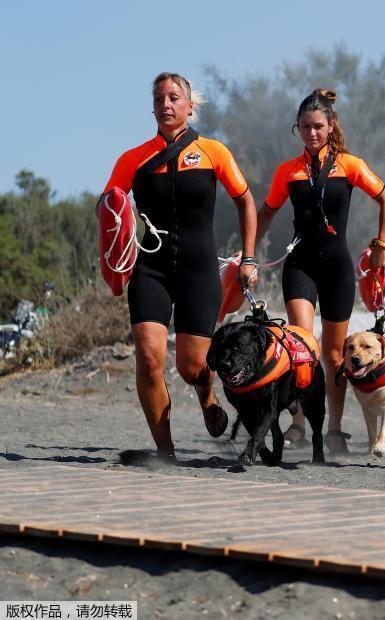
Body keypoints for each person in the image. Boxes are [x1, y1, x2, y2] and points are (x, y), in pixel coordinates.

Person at [103, 72, 258, 460]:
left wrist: (249, 257)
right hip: (151, 269)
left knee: (192, 366)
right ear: (152, 107)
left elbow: (246, 202)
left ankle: (206, 397)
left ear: (190, 106)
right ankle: (166, 452)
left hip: (198, 269)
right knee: (150, 357)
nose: (166, 104)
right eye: (159, 98)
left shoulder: (213, 152)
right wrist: (113, 246)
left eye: (174, 98)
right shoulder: (133, 159)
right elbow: (109, 206)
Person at [256, 89, 385, 454]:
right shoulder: (289, 171)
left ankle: (333, 429)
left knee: (335, 356)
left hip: (337, 268)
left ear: (331, 126)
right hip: (300, 265)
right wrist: (247, 252)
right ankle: (299, 423)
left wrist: (381, 247)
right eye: (305, 127)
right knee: (302, 345)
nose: (312, 133)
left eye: (318, 126)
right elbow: (267, 210)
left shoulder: (350, 164)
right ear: (297, 128)